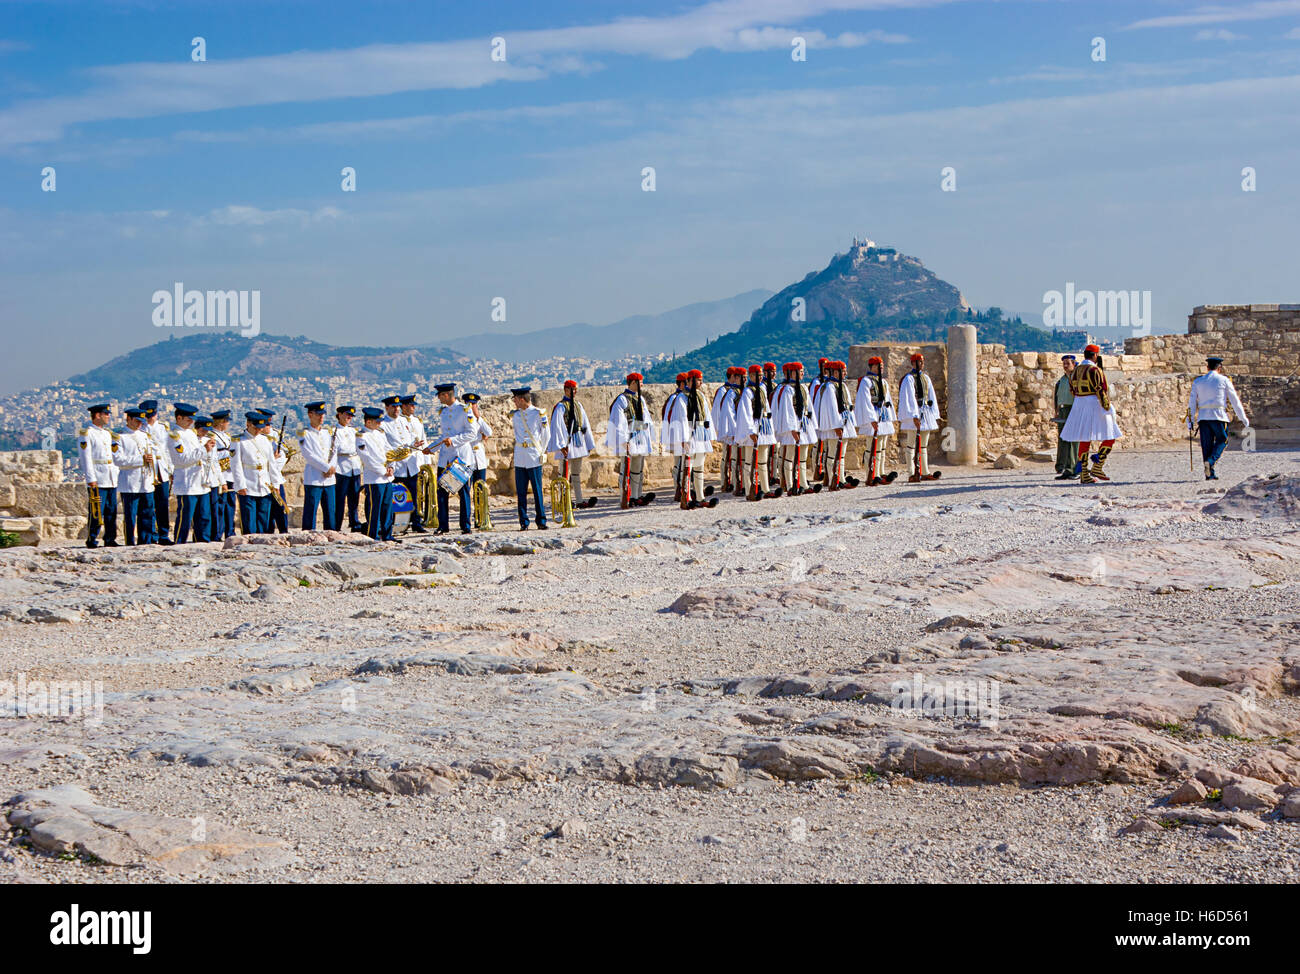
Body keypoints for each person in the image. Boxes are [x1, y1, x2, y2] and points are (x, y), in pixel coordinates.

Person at [1061, 344, 1122, 485]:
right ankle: (1098, 465)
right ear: (1095, 355)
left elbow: (1072, 390)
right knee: (1110, 435)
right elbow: (1101, 390)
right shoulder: (1095, 370)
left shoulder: (1075, 371)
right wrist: (1107, 406)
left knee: (1084, 438)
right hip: (1094, 404)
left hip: (1079, 405)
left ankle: (1084, 473)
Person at [1189, 355, 1249, 480]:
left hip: (1203, 417)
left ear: (1207, 367)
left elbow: (1192, 402)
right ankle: (1210, 462)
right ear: (1220, 367)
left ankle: (1209, 473)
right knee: (1223, 440)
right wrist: (1242, 417)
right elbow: (1234, 401)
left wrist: (1190, 421)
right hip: (1219, 416)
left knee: (1206, 445)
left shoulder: (1198, 381)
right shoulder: (1224, 380)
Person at [605, 372, 656, 508]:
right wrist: (623, 441)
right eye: (640, 382)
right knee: (625, 469)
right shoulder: (622, 400)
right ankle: (625, 497)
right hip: (629, 437)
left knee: (638, 469)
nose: (642, 384)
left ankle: (637, 496)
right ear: (633, 383)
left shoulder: (641, 399)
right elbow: (620, 422)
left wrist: (648, 435)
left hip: (640, 437)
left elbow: (646, 419)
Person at [433, 383, 476, 535]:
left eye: (439, 395)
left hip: (460, 458)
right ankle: (443, 525)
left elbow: (472, 433)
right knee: (442, 493)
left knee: (463, 493)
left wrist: (454, 440)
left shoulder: (464, 410)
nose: (438, 398)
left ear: (446, 395)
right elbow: (443, 436)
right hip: (445, 458)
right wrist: (431, 448)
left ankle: (466, 525)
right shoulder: (443, 412)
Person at [167, 403, 213, 543]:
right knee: (185, 516)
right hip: (187, 481)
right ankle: (179, 541)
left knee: (204, 515)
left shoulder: (191, 434)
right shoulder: (174, 436)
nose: (191, 422)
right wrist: (204, 449)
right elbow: (182, 459)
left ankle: (202, 540)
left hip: (199, 480)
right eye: (188, 420)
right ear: (179, 418)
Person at [671, 369, 718, 509]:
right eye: (698, 380)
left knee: (699, 467)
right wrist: (684, 439)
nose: (701, 382)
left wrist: (710, 435)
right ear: (690, 381)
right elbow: (682, 419)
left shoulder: (700, 396)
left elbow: (707, 416)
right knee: (688, 467)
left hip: (701, 433)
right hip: (690, 435)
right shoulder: (682, 398)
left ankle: (700, 496)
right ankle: (687, 497)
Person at [772, 362, 820, 495]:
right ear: (792, 373)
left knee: (803, 457)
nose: (803, 373)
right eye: (800, 371)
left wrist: (812, 425)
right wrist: (792, 429)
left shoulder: (803, 388)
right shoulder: (787, 389)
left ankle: (802, 482)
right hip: (793, 427)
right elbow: (787, 411)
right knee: (790, 457)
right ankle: (789, 483)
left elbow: (809, 407)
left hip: (803, 424)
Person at [548, 380, 597, 510]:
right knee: (563, 473)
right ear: (566, 390)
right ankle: (564, 500)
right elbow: (557, 427)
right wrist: (561, 445)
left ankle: (579, 499)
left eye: (576, 389)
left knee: (576, 473)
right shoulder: (560, 407)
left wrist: (588, 443)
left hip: (578, 442)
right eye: (572, 389)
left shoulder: (578, 405)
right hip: (567, 443)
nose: (574, 392)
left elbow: (584, 424)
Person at [734, 364, 781, 501]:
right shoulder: (748, 392)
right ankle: (749, 490)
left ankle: (765, 488)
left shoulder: (762, 388)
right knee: (749, 461)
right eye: (758, 375)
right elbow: (746, 413)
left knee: (762, 461)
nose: (760, 378)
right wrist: (751, 431)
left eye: (761, 375)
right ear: (751, 376)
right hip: (754, 427)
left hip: (764, 427)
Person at [79, 403, 120, 549]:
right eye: (106, 414)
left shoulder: (107, 433)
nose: (109, 416)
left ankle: (110, 538)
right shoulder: (87, 434)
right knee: (96, 510)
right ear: (98, 415)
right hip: (98, 477)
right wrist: (91, 479)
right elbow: (86, 458)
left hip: (110, 476)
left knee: (111, 510)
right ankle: (92, 538)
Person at [897, 352, 942, 483]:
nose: (921, 364)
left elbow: (931, 396)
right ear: (913, 363)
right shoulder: (909, 379)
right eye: (918, 362)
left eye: (922, 362)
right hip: (915, 413)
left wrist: (933, 413)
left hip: (926, 412)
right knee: (911, 445)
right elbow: (909, 399)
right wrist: (914, 416)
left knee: (923, 446)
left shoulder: (926, 378)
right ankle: (912, 472)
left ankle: (925, 471)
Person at [815, 360, 859, 490]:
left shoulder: (842, 386)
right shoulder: (829, 387)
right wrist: (836, 425)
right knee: (833, 453)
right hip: (835, 425)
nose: (845, 373)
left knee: (841, 454)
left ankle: (841, 479)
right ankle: (832, 479)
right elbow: (831, 408)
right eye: (843, 371)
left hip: (844, 423)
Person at [115, 407, 156, 545]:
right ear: (129, 419)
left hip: (146, 481)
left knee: (147, 513)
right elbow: (118, 459)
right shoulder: (120, 437)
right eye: (137, 421)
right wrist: (140, 460)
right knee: (131, 516)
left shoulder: (144, 436)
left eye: (141, 421)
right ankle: (130, 542)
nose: (139, 424)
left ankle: (146, 540)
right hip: (130, 482)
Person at [510, 387, 549, 530]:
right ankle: (524, 522)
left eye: (515, 399)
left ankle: (541, 520)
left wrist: (541, 451)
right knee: (521, 491)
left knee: (537, 490)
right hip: (520, 455)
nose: (514, 402)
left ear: (521, 399)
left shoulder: (538, 414)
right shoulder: (515, 415)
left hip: (533, 454)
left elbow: (546, 435)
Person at [854, 356, 897, 486]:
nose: (881, 368)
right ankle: (871, 473)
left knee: (882, 447)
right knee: (872, 447)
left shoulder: (883, 382)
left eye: (882, 366)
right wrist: (871, 418)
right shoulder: (866, 382)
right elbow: (865, 401)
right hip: (874, 415)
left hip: (883, 416)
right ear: (872, 367)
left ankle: (880, 471)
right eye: (878, 366)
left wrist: (890, 416)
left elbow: (887, 399)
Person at [356, 406, 397, 541]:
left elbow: (389, 451)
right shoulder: (362, 436)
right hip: (374, 478)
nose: (380, 424)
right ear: (368, 422)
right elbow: (367, 459)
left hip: (386, 478)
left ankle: (387, 534)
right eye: (377, 421)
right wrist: (383, 470)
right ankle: (373, 535)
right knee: (375, 509)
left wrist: (391, 466)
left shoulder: (380, 433)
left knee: (387, 508)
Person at [231, 411, 274, 534]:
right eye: (255, 428)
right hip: (248, 484)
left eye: (260, 428)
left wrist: (274, 483)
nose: (257, 431)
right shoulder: (238, 441)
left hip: (264, 485)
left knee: (263, 518)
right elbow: (236, 465)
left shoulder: (265, 440)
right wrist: (240, 485)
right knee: (249, 520)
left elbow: (271, 463)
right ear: (248, 424)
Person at [297, 401, 338, 531]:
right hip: (314, 477)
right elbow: (309, 455)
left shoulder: (328, 432)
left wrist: (332, 468)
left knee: (330, 511)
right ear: (310, 415)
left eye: (322, 415)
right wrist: (326, 468)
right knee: (311, 510)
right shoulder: (305, 434)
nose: (321, 418)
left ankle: (331, 534)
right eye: (318, 415)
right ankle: (308, 535)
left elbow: (335, 451)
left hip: (329, 478)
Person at [139, 399, 174, 544]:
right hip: (147, 469)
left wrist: (171, 469)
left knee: (162, 503)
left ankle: (163, 534)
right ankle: (149, 535)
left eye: (152, 415)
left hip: (161, 468)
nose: (150, 418)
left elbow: (167, 449)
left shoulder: (163, 427)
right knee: (147, 504)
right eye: (148, 416)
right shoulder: (140, 429)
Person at [397, 394, 428, 533]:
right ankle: (401, 524)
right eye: (410, 405)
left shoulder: (417, 421)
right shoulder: (397, 422)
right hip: (401, 464)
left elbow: (424, 441)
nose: (413, 407)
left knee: (415, 496)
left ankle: (416, 522)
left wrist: (426, 463)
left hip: (414, 464)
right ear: (403, 406)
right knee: (401, 496)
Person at [712, 368, 742, 494]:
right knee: (727, 456)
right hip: (727, 429)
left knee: (735, 457)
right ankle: (725, 481)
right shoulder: (723, 391)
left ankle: (735, 481)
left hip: (735, 429)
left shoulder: (738, 391)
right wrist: (722, 430)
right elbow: (718, 412)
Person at [332, 405, 362, 531]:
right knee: (340, 499)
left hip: (354, 467)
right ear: (339, 414)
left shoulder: (353, 431)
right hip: (342, 468)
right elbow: (340, 448)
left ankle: (354, 522)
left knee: (354, 497)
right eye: (346, 414)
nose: (349, 417)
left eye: (351, 416)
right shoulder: (335, 431)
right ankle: (337, 524)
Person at [193, 415, 223, 542]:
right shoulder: (193, 440)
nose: (205, 432)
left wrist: (222, 480)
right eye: (203, 429)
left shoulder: (210, 441)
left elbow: (215, 462)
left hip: (211, 478)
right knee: (199, 511)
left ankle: (210, 535)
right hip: (198, 478)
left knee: (211, 510)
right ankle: (199, 536)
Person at [210, 409, 236, 538]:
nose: (228, 424)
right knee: (220, 504)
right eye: (226, 422)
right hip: (221, 473)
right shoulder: (212, 436)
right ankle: (218, 532)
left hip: (230, 474)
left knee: (230, 504)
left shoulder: (226, 436)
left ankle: (230, 531)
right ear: (221, 422)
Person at [662, 373, 688, 502]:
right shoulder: (676, 398)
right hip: (677, 435)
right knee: (679, 464)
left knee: (684, 463)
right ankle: (677, 488)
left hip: (681, 435)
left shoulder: (679, 397)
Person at [1053, 356, 1078, 481]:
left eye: (1068, 363)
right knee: (1063, 439)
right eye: (1064, 363)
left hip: (1072, 409)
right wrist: (1057, 411)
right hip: (1062, 410)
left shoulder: (1076, 378)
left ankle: (1074, 468)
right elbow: (1058, 396)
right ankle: (1064, 466)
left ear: (1073, 364)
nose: (1065, 365)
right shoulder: (1061, 380)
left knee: (1073, 440)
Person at [463, 392, 493, 493]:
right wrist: (481, 436)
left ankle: (481, 509)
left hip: (479, 459)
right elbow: (467, 437)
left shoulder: (478, 420)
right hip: (468, 458)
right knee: (467, 488)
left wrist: (478, 417)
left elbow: (489, 432)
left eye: (474, 404)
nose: (471, 406)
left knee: (481, 489)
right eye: (469, 404)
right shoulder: (463, 420)